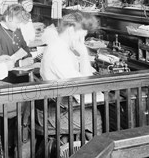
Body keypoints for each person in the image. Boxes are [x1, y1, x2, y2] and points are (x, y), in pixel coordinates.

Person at [38, 11, 103, 140]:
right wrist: (84, 54)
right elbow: (85, 85)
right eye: (80, 37)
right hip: (54, 114)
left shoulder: (61, 48)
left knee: (93, 112)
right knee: (96, 117)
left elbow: (85, 81)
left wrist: (83, 55)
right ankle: (96, 157)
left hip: (59, 105)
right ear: (71, 30)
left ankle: (85, 151)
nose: (81, 41)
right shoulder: (59, 54)